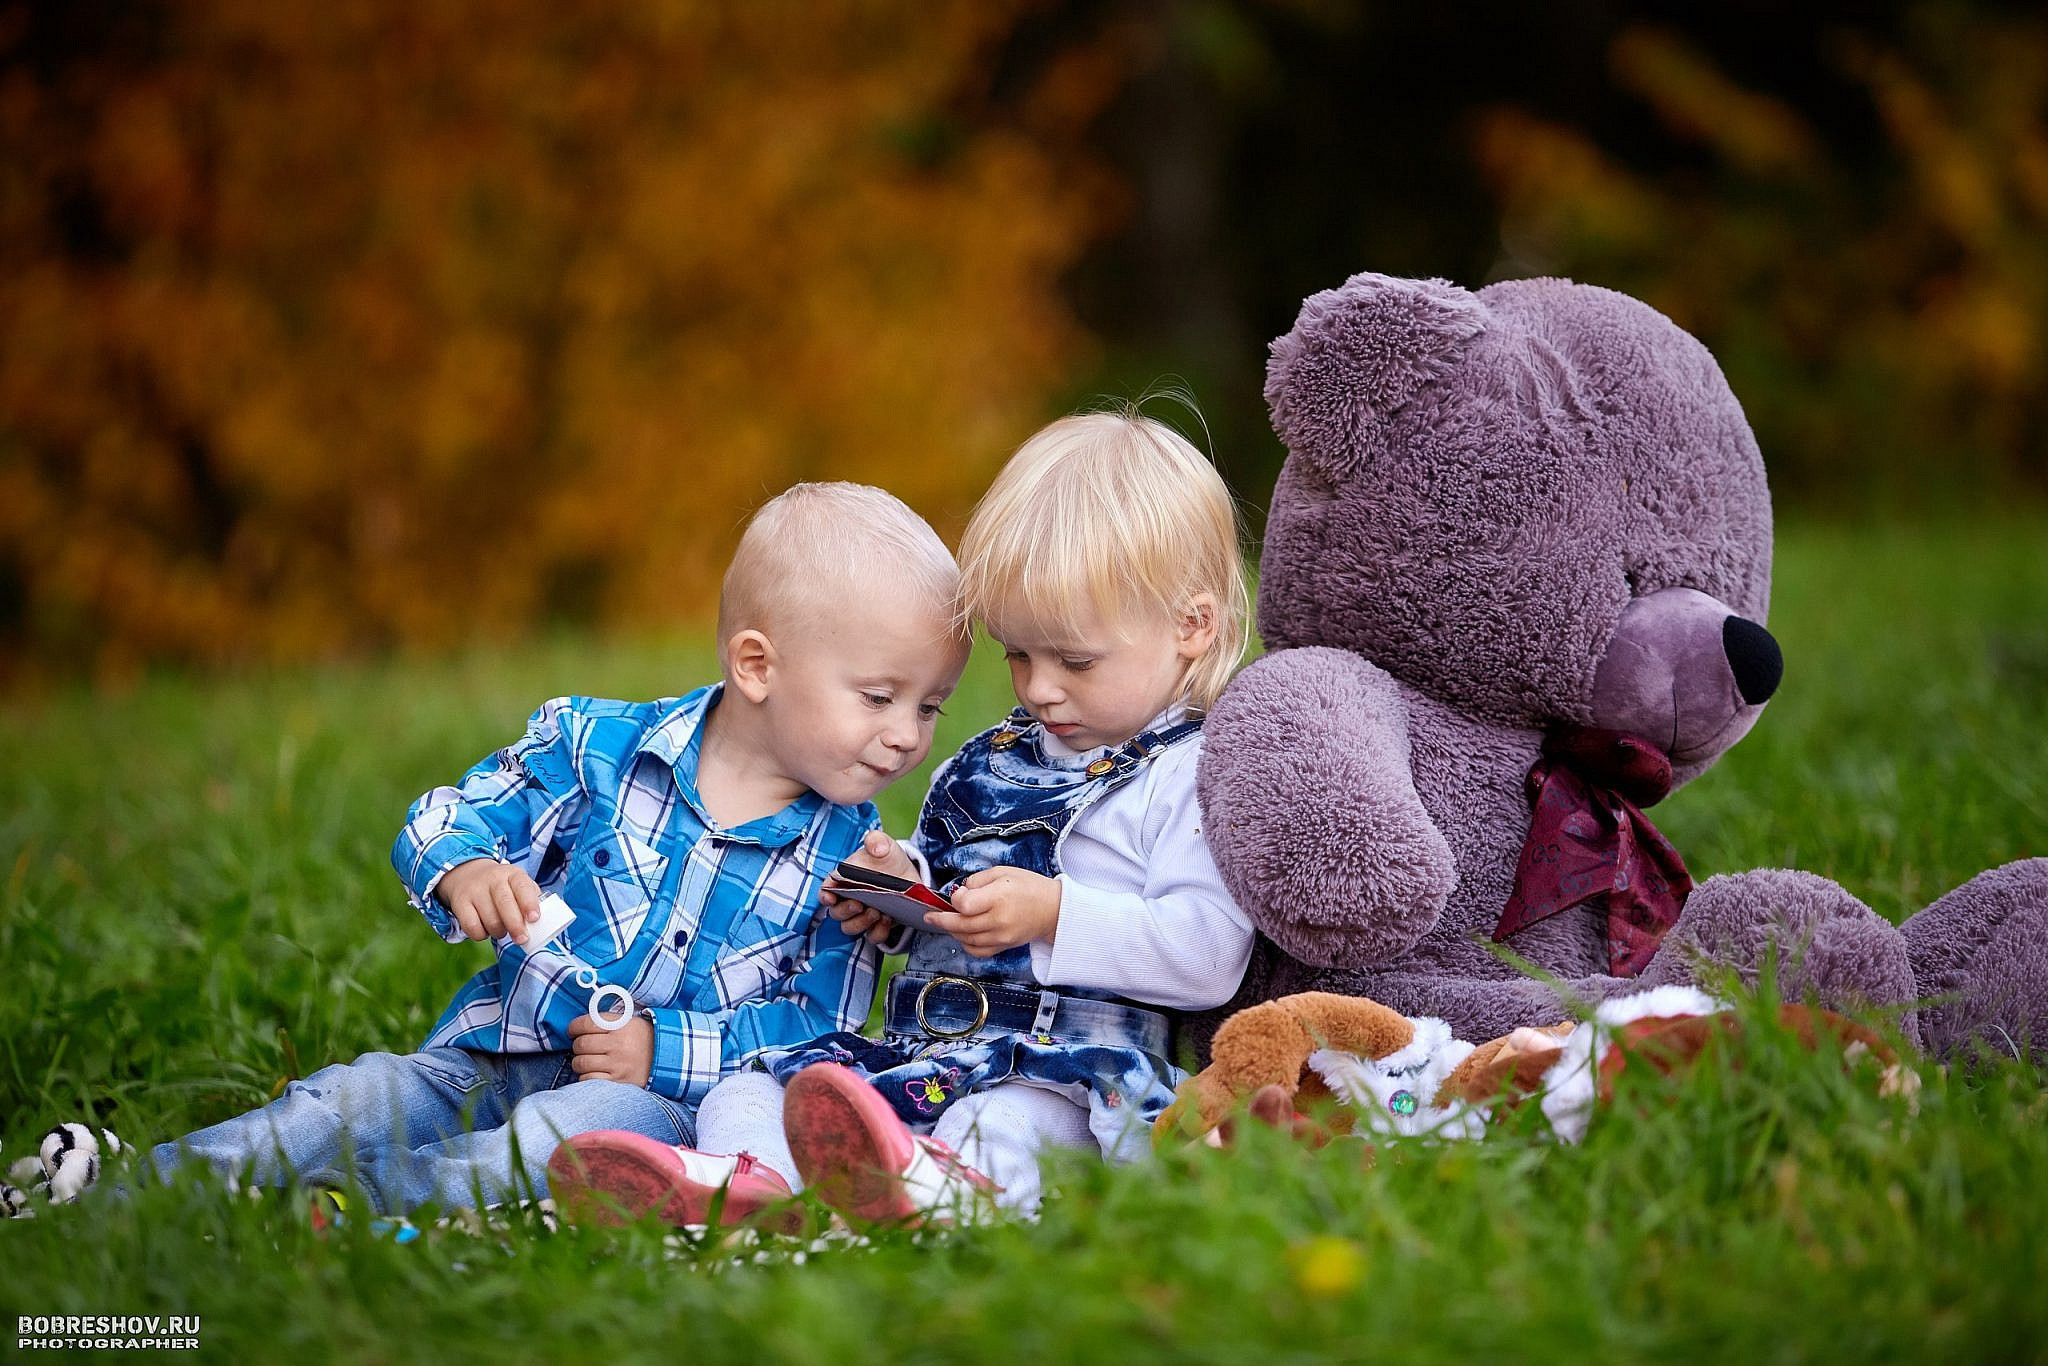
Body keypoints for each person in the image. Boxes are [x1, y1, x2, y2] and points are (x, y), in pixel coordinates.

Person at [138, 482, 970, 1216]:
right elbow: (447, 816)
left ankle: (346, 1210)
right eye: (879, 697)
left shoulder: (856, 866)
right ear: (756, 665)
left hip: (649, 1105)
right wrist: (466, 867)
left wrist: (661, 1050)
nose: (907, 735)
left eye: (930, 707)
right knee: (359, 1098)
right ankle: (145, 1188)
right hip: (494, 1052)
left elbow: (815, 1030)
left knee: (549, 1146)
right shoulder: (592, 746)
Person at [551, 409, 1256, 1226]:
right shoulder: (994, 760)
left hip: (1064, 1074)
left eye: (1075, 660)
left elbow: (1210, 955)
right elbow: (947, 885)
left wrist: (1055, 914)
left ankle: (936, 1201)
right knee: (753, 1085)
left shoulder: (1191, 774)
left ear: (1191, 626)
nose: (1038, 688)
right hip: (927, 1056)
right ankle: (752, 1184)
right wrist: (900, 890)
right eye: (1017, 653)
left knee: (998, 1125)